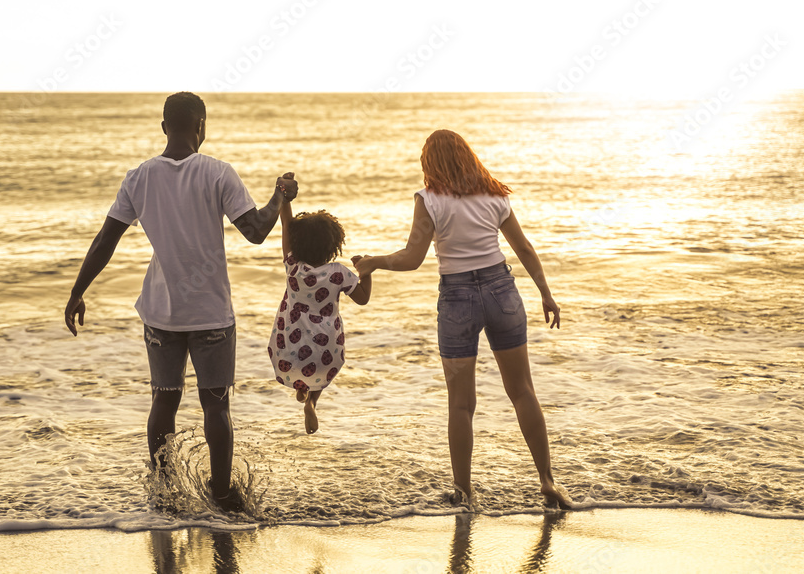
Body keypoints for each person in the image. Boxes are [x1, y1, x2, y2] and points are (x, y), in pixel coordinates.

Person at [63, 91, 298, 512]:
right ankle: (222, 493)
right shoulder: (218, 173)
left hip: (161, 312)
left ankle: (164, 491)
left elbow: (105, 240)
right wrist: (280, 193)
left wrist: (78, 291)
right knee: (216, 404)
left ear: (164, 127)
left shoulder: (138, 177)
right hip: (210, 313)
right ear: (201, 127)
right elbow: (257, 230)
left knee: (164, 399)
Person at [352, 129, 572, 509]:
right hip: (502, 291)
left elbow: (412, 259)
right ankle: (547, 482)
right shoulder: (495, 195)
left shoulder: (429, 199)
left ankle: (465, 494)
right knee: (522, 391)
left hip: (457, 299)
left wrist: (373, 263)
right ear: (467, 156)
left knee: (460, 403)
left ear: (430, 162)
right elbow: (523, 248)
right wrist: (546, 294)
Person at [268, 200, 371, 434]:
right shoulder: (338, 273)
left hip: (289, 341)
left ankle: (302, 387)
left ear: (296, 243)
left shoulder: (293, 266)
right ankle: (311, 402)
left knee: (300, 361)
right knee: (322, 369)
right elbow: (363, 298)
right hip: (325, 344)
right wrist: (366, 271)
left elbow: (286, 223)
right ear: (334, 245)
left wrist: (285, 197)